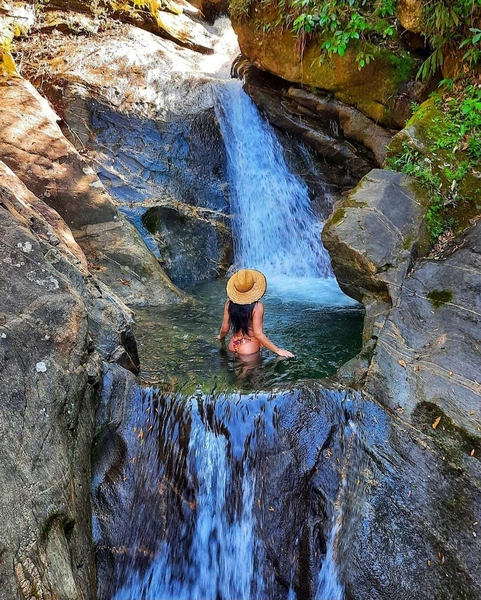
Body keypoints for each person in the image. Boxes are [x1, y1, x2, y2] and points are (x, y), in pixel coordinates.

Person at [217, 269, 295, 358]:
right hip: (249, 346)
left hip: (233, 343)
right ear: (253, 287)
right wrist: (278, 350)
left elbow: (224, 329)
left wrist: (220, 337)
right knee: (254, 371)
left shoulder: (228, 304)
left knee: (237, 370)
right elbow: (258, 334)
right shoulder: (258, 306)